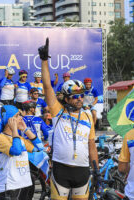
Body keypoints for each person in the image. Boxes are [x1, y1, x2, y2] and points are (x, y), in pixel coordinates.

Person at [38, 38, 98, 200]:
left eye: (81, 96)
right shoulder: (58, 111)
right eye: (75, 96)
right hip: (61, 169)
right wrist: (44, 61)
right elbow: (47, 87)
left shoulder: (87, 115)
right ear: (66, 98)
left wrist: (97, 171)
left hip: (83, 170)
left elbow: (91, 145)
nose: (79, 99)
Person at [0, 105, 44, 200]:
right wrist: (15, 130)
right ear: (9, 120)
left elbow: (40, 148)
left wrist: (25, 130)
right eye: (17, 116)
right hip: (10, 188)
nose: (21, 118)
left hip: (25, 185)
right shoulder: (0, 139)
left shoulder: (19, 138)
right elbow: (16, 151)